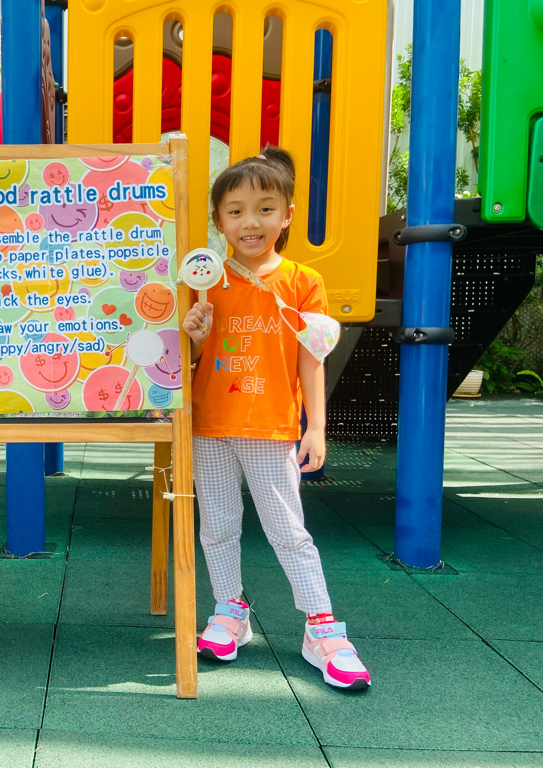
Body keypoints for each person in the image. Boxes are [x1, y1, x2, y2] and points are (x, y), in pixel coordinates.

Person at [181, 147, 371, 690]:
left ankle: (322, 628)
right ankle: (229, 610)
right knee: (217, 525)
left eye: (265, 209)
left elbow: (313, 357)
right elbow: (188, 363)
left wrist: (316, 426)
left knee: (288, 529)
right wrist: (195, 337)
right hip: (208, 426)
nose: (250, 221)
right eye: (236, 210)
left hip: (269, 427)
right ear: (218, 220)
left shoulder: (303, 281)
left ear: (286, 216)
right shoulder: (203, 281)